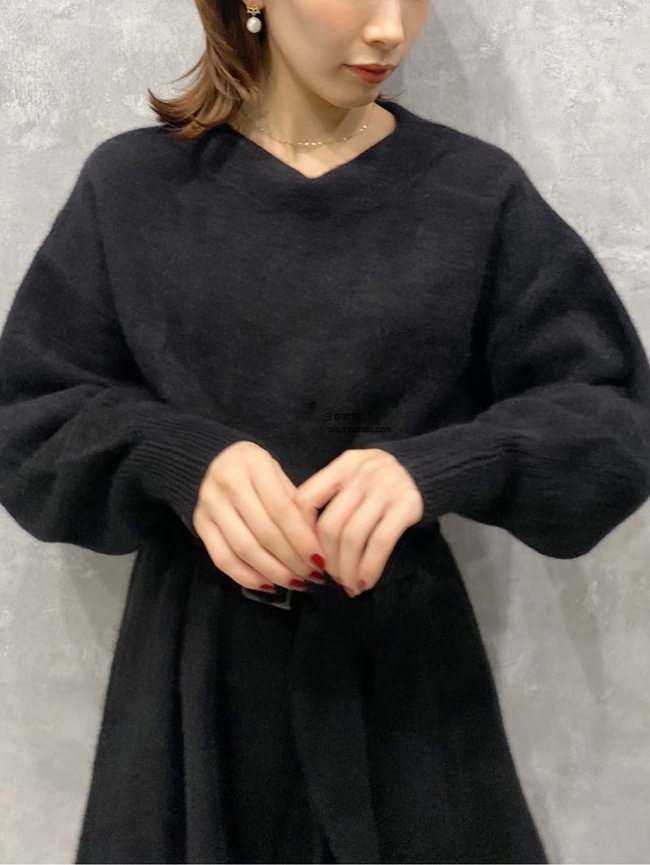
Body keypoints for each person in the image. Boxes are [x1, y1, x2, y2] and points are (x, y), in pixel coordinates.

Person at [1, 0, 650, 861]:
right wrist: (176, 455)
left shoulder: (471, 192)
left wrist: (439, 464)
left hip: (409, 694)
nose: (390, 29)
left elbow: (612, 416)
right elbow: (29, 416)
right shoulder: (134, 187)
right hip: (192, 701)